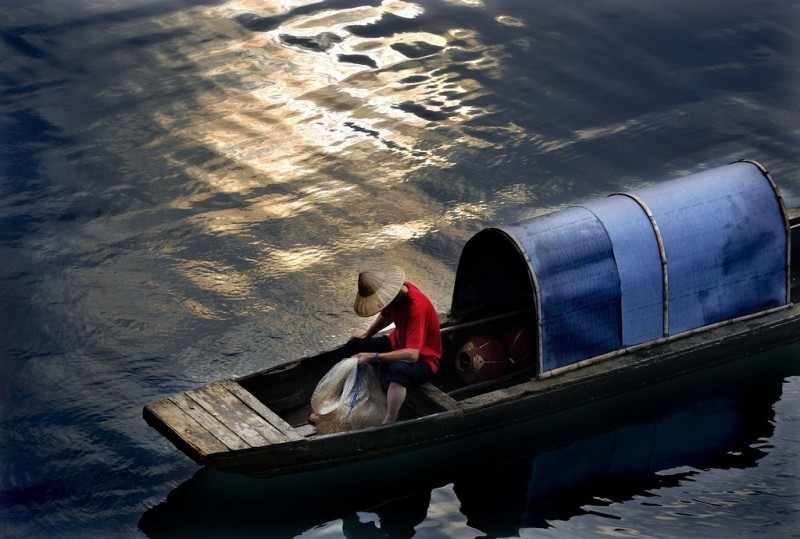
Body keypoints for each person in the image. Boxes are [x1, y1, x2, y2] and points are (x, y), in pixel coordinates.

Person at [340, 264, 442, 425]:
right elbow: (386, 316)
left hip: (423, 360)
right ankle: (341, 397)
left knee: (398, 370)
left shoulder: (417, 307)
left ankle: (389, 421)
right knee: (354, 346)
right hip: (397, 344)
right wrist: (366, 335)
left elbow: (412, 355)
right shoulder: (398, 296)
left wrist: (374, 357)